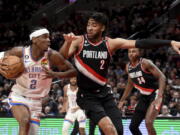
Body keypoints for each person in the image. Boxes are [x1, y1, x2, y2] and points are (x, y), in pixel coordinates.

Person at [59, 12, 180, 135]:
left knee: (119, 130)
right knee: (109, 129)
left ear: (103, 28)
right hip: (87, 96)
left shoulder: (110, 43)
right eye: (88, 25)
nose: (89, 28)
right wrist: (67, 42)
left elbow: (140, 43)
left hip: (105, 94)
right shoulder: (78, 41)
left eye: (94, 25)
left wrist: (170, 42)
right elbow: (60, 60)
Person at [0, 27, 77, 135]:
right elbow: (1, 57)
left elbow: (73, 71)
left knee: (31, 132)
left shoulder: (51, 55)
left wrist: (56, 74)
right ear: (34, 39)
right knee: (24, 120)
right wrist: (5, 71)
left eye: (49, 37)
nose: (49, 40)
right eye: (44, 37)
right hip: (19, 96)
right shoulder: (19, 52)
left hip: (37, 102)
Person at [118, 48, 166, 135]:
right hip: (144, 96)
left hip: (155, 93)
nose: (131, 54)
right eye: (129, 52)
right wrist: (122, 100)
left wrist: (159, 96)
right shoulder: (128, 66)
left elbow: (162, 77)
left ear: (139, 52)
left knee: (148, 122)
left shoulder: (145, 63)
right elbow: (130, 83)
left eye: (134, 51)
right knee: (132, 127)